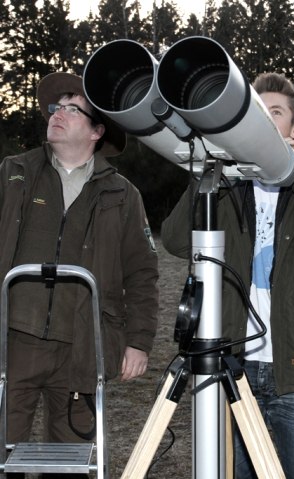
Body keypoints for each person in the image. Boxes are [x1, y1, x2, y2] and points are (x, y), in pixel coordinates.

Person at [161, 72, 294, 479]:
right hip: (232, 362)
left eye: (275, 113)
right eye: (257, 112)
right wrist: (207, 173)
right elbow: (175, 241)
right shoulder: (227, 186)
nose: (264, 121)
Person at [0, 72, 159, 477]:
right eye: (56, 108)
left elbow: (142, 273)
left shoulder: (123, 194)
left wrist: (138, 342)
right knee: (2, 456)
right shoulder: (13, 174)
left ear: (96, 131)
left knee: (70, 465)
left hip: (84, 345)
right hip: (13, 340)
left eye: (73, 109)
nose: (58, 114)